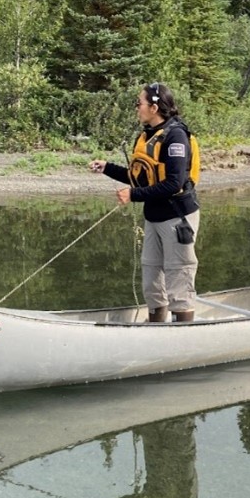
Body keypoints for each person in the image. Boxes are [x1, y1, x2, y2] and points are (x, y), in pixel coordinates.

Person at [89, 82, 200, 322]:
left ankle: (183, 335)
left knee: (178, 278)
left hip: (177, 217)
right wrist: (107, 168)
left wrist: (133, 195)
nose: (136, 108)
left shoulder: (176, 137)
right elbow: (140, 177)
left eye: (138, 103)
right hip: (154, 216)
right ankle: (156, 327)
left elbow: (173, 183)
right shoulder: (148, 135)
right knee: (151, 278)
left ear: (154, 106)